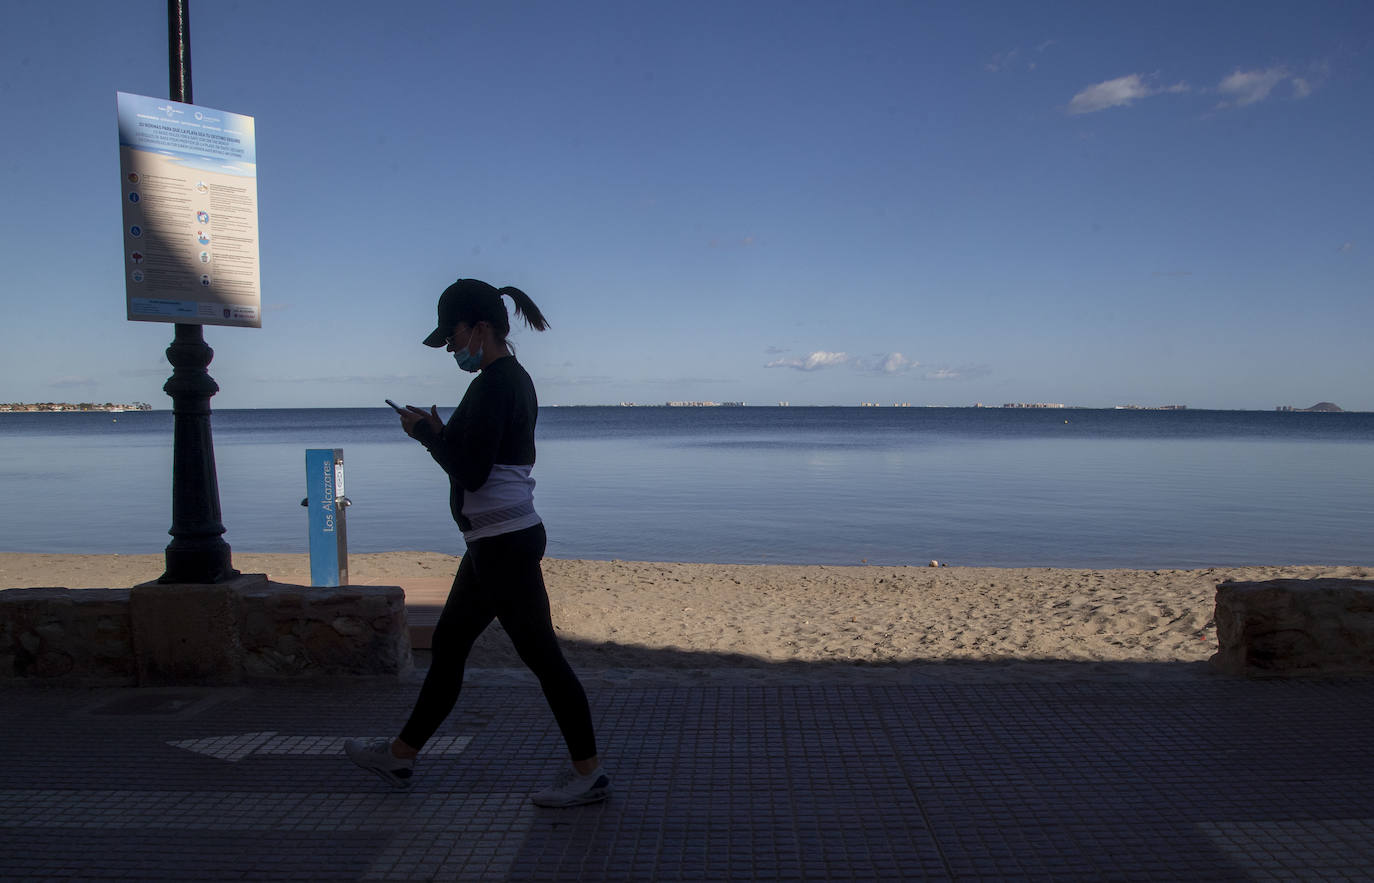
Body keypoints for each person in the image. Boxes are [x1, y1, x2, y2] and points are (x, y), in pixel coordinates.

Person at [344, 278, 609, 808]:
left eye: (452, 336)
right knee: (450, 646)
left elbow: (473, 470)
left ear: (480, 328)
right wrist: (443, 432)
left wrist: (425, 435)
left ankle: (589, 774)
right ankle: (400, 755)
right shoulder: (508, 379)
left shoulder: (494, 383)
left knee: (542, 658)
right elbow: (487, 452)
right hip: (496, 540)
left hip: (503, 544)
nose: (449, 348)